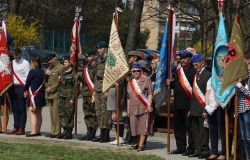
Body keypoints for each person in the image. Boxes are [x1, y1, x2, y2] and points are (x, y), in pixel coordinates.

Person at [167, 51, 196, 156]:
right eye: (181, 58)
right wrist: (170, 84)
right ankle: (180, 147)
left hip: (188, 103)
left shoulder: (193, 71)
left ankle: (191, 148)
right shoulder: (178, 71)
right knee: (178, 127)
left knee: (190, 127)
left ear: (190, 59)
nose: (182, 60)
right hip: (178, 103)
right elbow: (176, 85)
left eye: (185, 58)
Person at [188, 54, 210, 159]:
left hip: (203, 108)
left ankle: (205, 150)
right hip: (194, 108)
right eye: (194, 65)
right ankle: (197, 149)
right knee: (195, 130)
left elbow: (208, 93)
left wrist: (205, 108)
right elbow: (194, 94)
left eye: (196, 64)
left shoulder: (207, 74)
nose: (195, 66)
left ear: (202, 63)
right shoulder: (196, 75)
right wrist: (190, 109)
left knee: (203, 131)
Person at [127, 63, 153, 152]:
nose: (136, 72)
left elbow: (150, 93)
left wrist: (149, 104)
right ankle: (138, 143)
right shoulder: (130, 83)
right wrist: (128, 109)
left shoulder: (146, 80)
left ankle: (141, 145)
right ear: (132, 72)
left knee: (142, 127)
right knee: (135, 127)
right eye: (134, 71)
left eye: (138, 71)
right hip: (133, 108)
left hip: (143, 107)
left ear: (141, 71)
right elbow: (128, 98)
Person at [92, 41, 112, 143]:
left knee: (106, 112)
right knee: (99, 111)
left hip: (105, 89)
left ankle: (106, 134)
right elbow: (96, 75)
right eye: (98, 49)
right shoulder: (99, 59)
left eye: (100, 48)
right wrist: (95, 90)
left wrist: (108, 90)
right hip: (98, 89)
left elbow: (111, 76)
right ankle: (101, 133)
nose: (99, 50)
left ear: (105, 48)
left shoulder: (109, 60)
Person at [7, 47, 30, 135]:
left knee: (21, 109)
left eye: (18, 57)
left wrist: (26, 90)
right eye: (15, 57)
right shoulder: (12, 63)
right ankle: (16, 126)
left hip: (21, 87)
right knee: (15, 109)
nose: (16, 59)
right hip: (12, 87)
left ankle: (21, 128)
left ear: (21, 55)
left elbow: (28, 78)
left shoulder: (25, 63)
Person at [77, 49, 98, 141]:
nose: (89, 58)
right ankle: (88, 131)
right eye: (88, 56)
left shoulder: (97, 67)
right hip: (85, 93)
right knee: (87, 113)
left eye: (90, 56)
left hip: (92, 93)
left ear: (94, 56)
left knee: (93, 113)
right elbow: (85, 81)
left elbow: (96, 81)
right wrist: (79, 77)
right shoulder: (86, 67)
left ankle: (93, 132)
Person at [24, 55, 45, 137]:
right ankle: (38, 130)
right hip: (41, 94)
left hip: (34, 95)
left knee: (32, 112)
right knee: (39, 113)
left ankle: (33, 131)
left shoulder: (32, 71)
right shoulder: (42, 71)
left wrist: (25, 89)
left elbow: (27, 82)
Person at [205, 78, 225, 160]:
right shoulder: (210, 79)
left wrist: (216, 105)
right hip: (210, 107)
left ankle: (224, 153)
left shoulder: (222, 78)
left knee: (222, 130)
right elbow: (207, 93)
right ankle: (214, 152)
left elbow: (224, 93)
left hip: (219, 106)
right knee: (212, 130)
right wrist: (207, 106)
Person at [235, 51, 250, 160]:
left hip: (248, 108)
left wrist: (240, 86)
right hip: (241, 108)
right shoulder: (243, 75)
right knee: (244, 137)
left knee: (249, 137)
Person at [44, 54, 64, 138]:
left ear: (55, 59)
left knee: (56, 113)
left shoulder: (60, 67)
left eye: (50, 61)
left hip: (56, 93)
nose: (49, 63)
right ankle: (52, 130)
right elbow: (47, 80)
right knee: (52, 113)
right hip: (49, 94)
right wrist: (45, 75)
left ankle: (57, 131)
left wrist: (51, 88)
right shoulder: (50, 68)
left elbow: (60, 81)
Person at [56, 58, 76, 139]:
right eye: (64, 62)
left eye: (66, 62)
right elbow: (59, 85)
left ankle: (69, 131)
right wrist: (58, 97)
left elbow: (75, 87)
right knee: (62, 113)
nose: (64, 63)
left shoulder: (73, 73)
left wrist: (73, 98)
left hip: (69, 95)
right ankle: (65, 129)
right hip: (62, 95)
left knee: (69, 113)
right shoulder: (63, 72)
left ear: (70, 63)